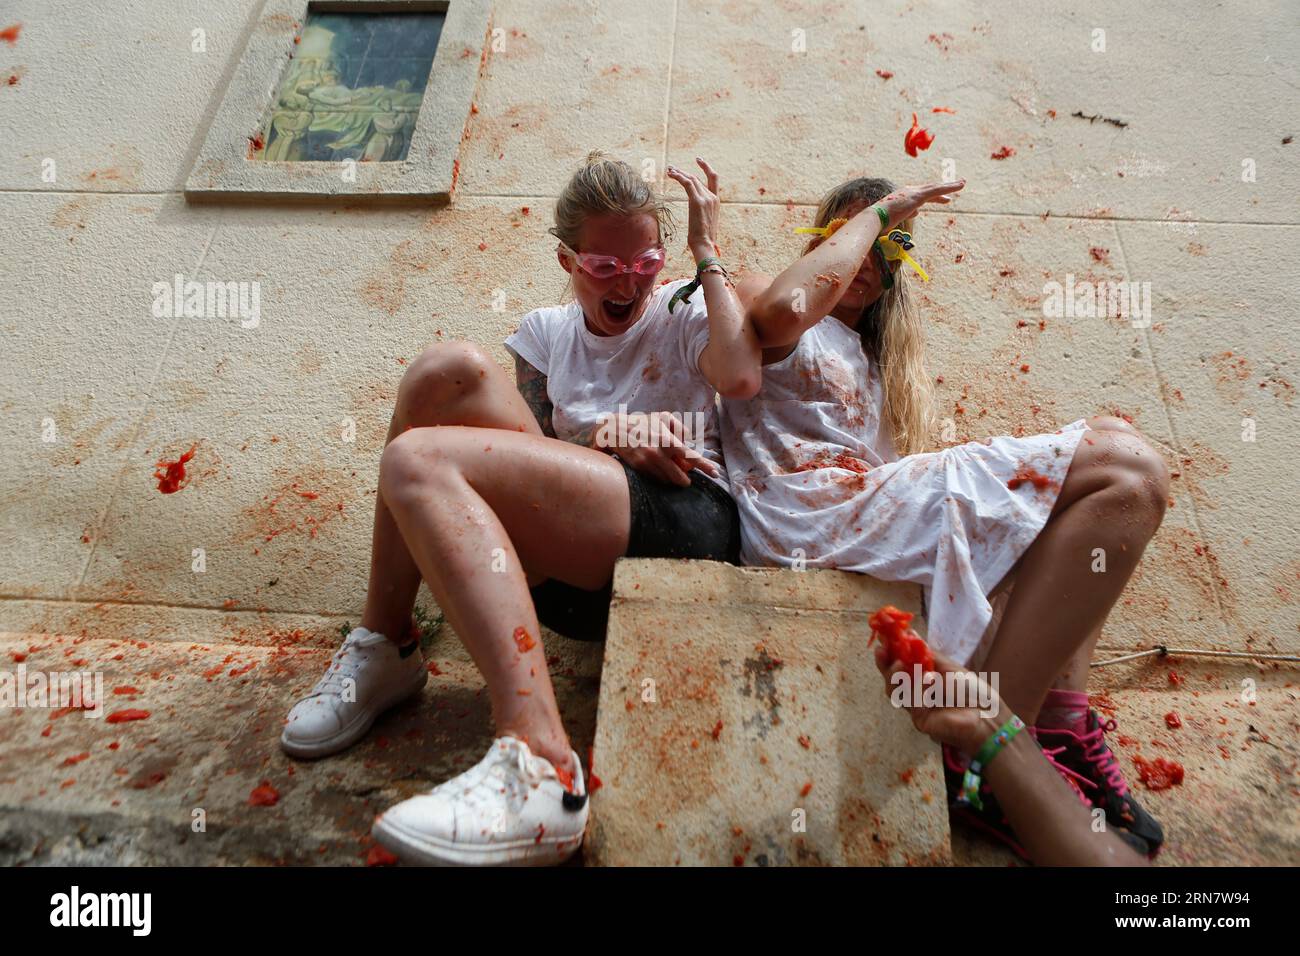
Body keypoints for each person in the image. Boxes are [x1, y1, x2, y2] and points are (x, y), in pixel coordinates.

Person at [280, 152, 760, 865]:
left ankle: (543, 764)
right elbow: (531, 453)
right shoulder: (542, 334)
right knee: (441, 373)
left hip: (686, 515)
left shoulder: (686, 307)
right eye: (604, 267)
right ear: (568, 258)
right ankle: (388, 647)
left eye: (646, 261)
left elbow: (740, 375)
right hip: (573, 561)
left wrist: (705, 253)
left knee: (415, 461)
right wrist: (605, 434)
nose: (630, 280)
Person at [721, 175, 1170, 857]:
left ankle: (1058, 728)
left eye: (893, 244)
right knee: (1124, 467)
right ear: (825, 241)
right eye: (858, 236)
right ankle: (993, 756)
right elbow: (787, 303)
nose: (872, 255)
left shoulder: (875, 363)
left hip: (856, 512)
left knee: (1081, 508)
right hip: (806, 514)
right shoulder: (768, 294)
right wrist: (877, 215)